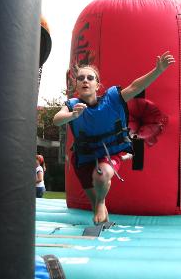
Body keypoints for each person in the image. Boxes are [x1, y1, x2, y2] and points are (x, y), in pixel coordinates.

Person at [53, 51, 175, 224]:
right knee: (95, 205)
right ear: (76, 85)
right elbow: (57, 120)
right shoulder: (73, 106)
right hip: (83, 158)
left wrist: (157, 71)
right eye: (81, 78)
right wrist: (72, 115)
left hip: (111, 152)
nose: (85, 80)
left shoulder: (112, 100)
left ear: (97, 85)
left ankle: (102, 202)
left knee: (101, 176)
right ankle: (103, 218)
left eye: (90, 77)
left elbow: (135, 87)